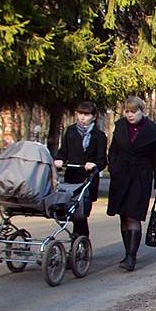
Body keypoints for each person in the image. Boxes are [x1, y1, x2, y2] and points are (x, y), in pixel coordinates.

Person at [107, 96, 156, 271]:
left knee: (133, 215)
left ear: (142, 112)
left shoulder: (153, 131)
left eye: (133, 112)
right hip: (121, 176)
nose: (130, 115)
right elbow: (113, 150)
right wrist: (113, 168)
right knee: (123, 215)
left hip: (141, 178)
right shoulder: (120, 126)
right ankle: (127, 253)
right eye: (127, 112)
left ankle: (131, 257)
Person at [54, 101, 107, 240]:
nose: (82, 117)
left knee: (81, 212)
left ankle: (80, 240)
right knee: (72, 211)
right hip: (72, 177)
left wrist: (94, 164)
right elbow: (63, 151)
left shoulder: (99, 135)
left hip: (88, 179)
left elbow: (102, 160)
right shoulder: (70, 131)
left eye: (86, 114)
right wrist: (59, 160)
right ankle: (79, 240)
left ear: (93, 117)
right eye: (80, 114)